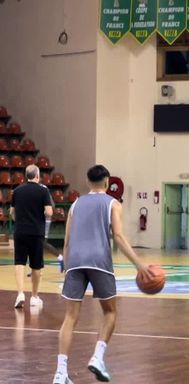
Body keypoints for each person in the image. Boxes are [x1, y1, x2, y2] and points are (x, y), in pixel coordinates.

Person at [52, 165, 152, 384]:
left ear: (88, 183)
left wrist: (68, 268)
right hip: (99, 260)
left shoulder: (76, 204)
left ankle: (60, 373)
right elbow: (118, 235)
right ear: (107, 183)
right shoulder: (113, 203)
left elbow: (67, 241)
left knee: (70, 317)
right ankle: (97, 357)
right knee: (110, 312)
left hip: (75, 261)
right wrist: (139, 264)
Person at [10, 164, 53, 308]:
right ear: (37, 176)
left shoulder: (17, 190)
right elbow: (49, 212)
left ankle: (20, 294)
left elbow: (12, 212)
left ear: (25, 175)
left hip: (20, 231)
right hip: (36, 232)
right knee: (36, 265)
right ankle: (34, 297)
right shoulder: (43, 191)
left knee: (19, 263)